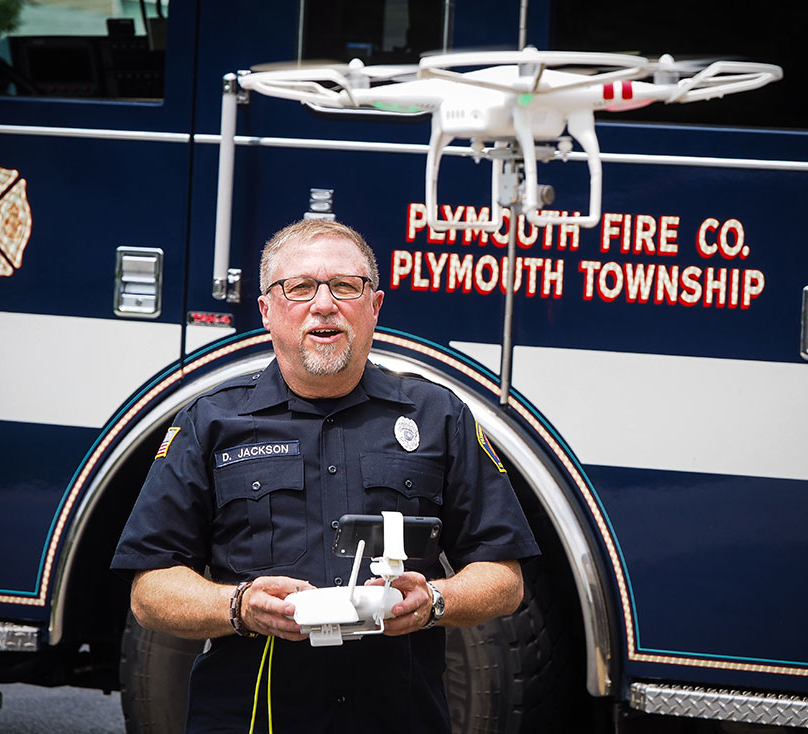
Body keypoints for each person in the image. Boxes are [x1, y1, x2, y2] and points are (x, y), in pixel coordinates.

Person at [111, 219, 539, 733]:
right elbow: (151, 590)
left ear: (374, 306)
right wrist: (239, 605)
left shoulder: (438, 416)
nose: (323, 304)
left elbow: (504, 578)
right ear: (266, 311)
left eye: (344, 286)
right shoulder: (211, 421)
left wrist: (436, 601)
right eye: (300, 288)